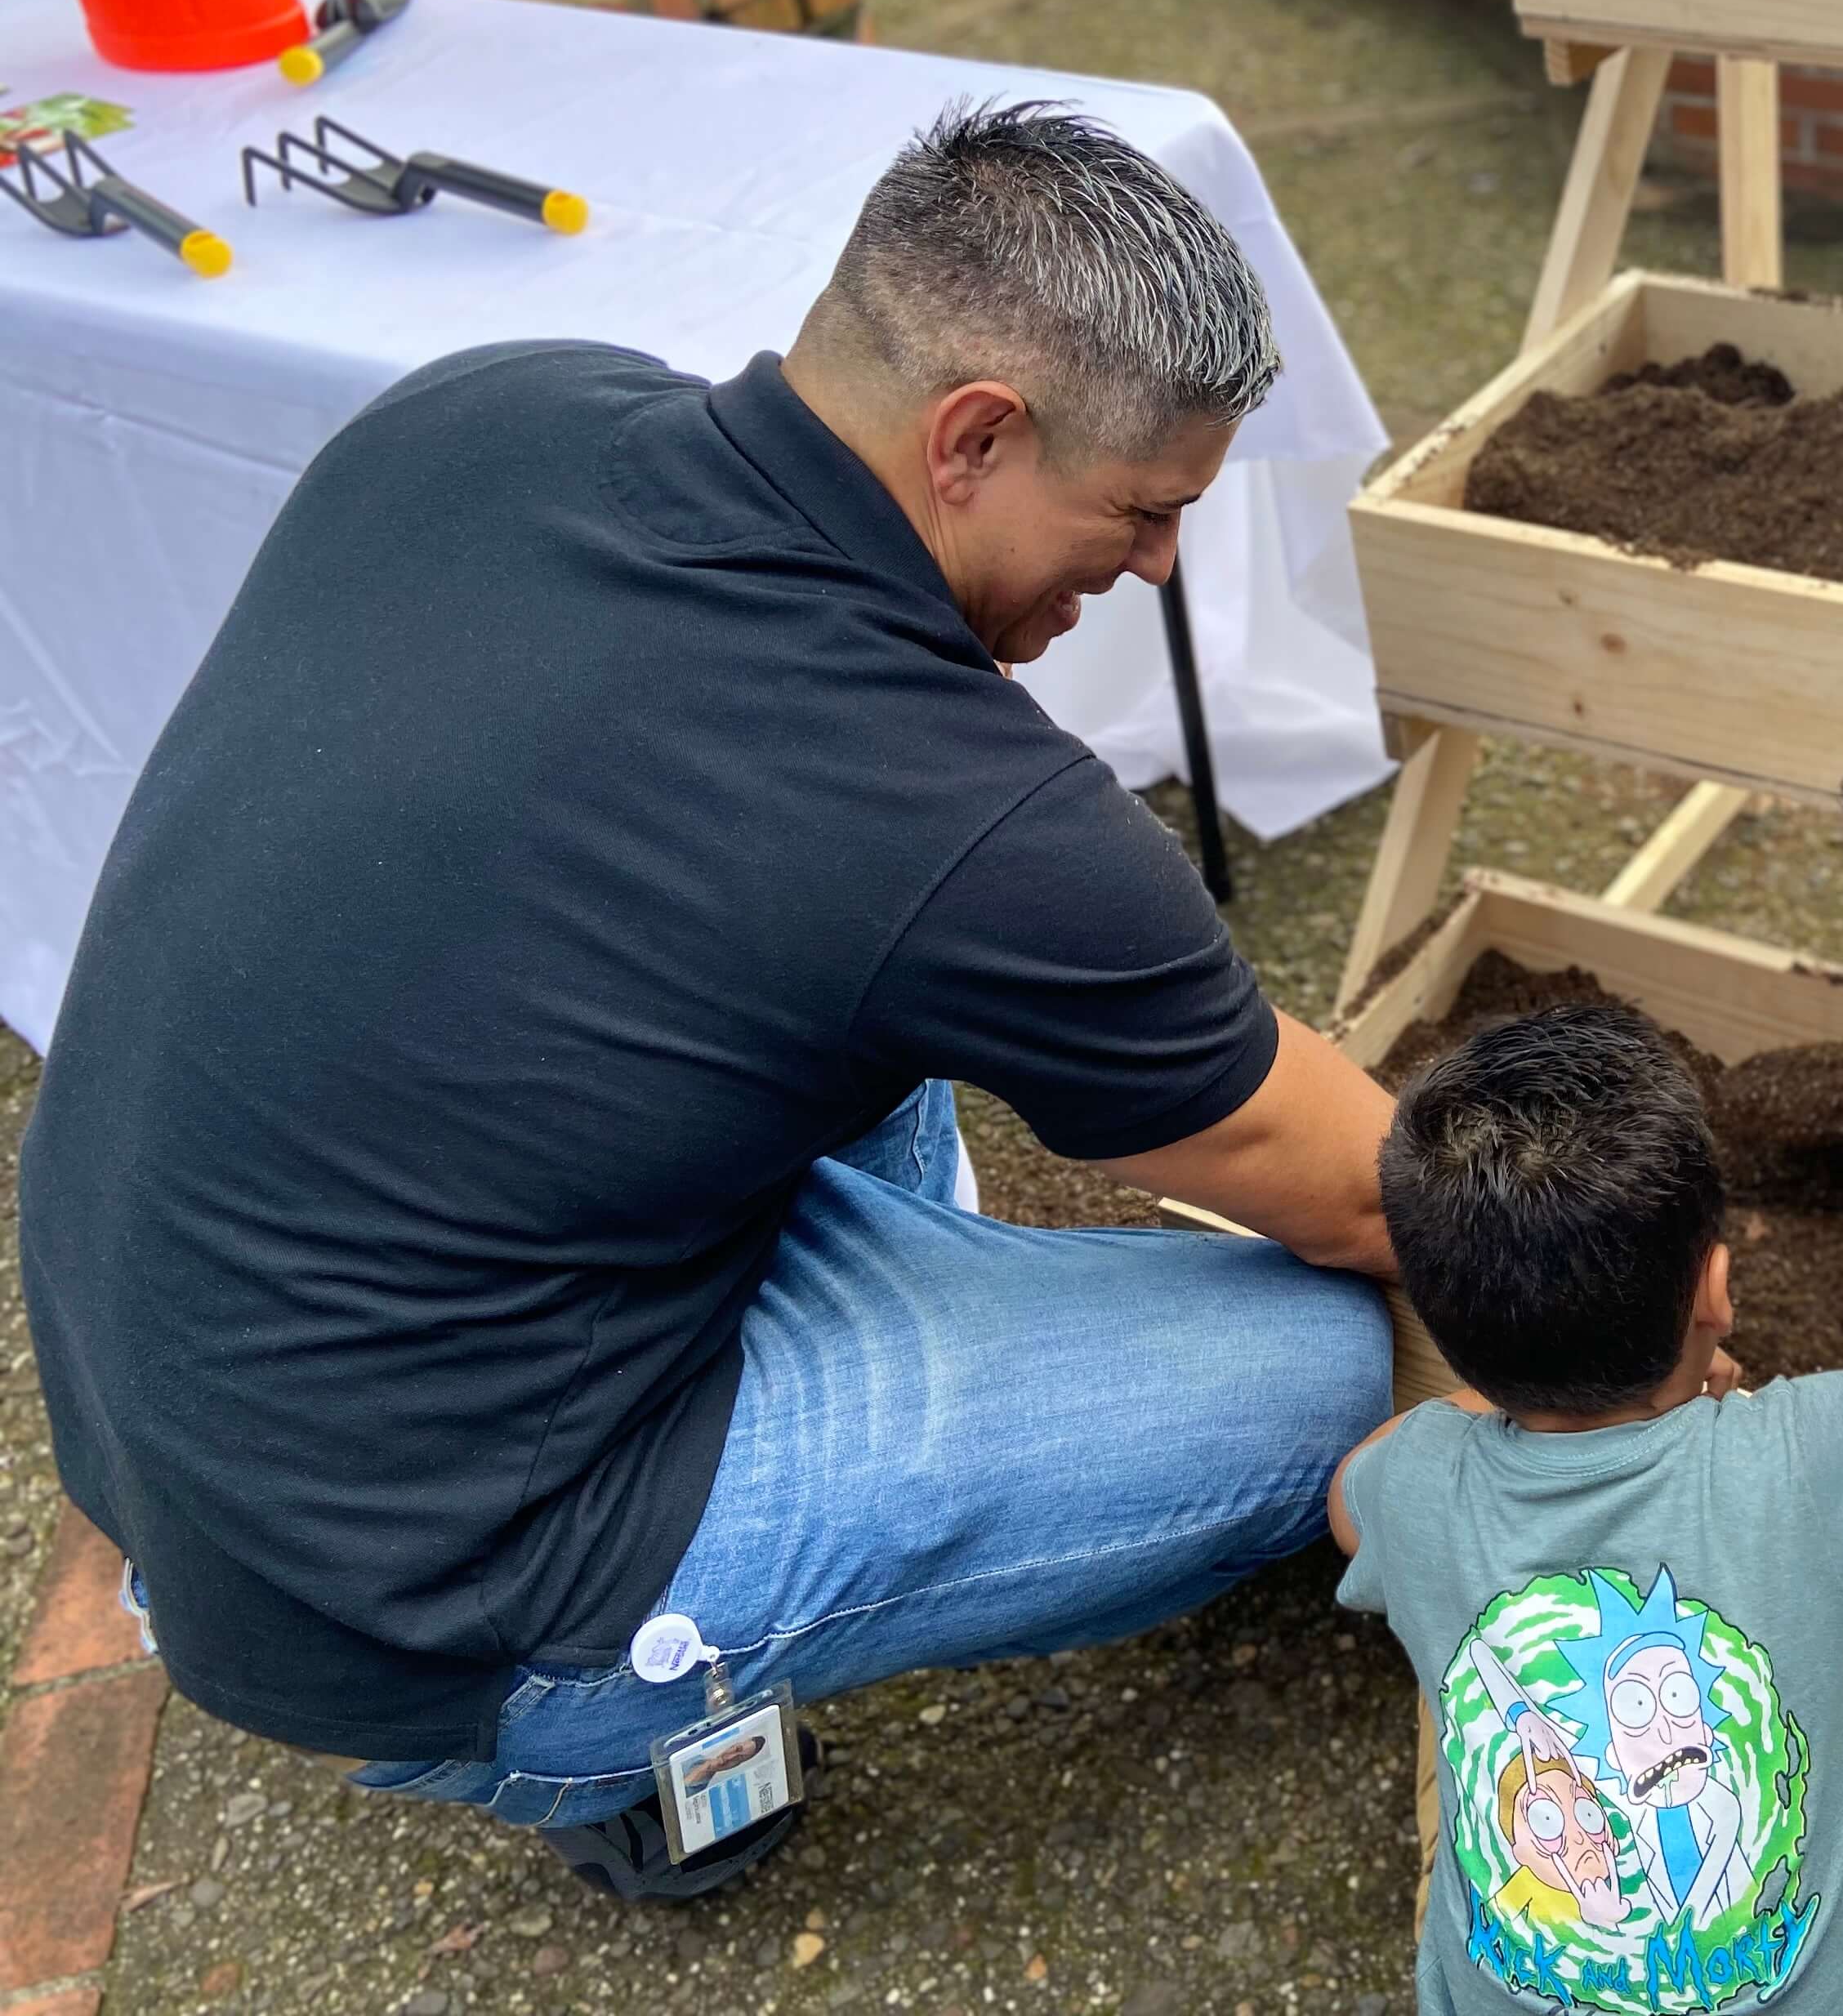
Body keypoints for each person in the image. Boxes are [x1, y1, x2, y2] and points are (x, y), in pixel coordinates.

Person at [17, 101, 1399, 1897]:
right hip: (436, 1594)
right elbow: (1371, 1187)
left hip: (171, 1414)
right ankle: (623, 1747)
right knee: (1345, 1363)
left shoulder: (493, 407)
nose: (1152, 570)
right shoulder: (952, 811)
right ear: (975, 434)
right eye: (1141, 513)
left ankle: (886, 1382)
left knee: (848, 972)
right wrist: (1644, 1305)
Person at [1328, 1001, 1843, 2016]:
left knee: (1451, 1610)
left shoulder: (1424, 1484)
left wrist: (1495, 1382)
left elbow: (1353, 1499)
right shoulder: (1803, 1451)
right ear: (1715, 1289)